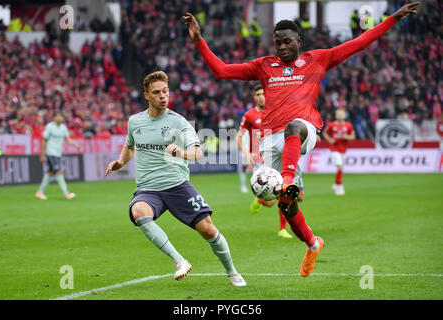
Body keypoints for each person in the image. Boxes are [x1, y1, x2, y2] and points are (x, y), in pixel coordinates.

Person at [183, 2, 420, 277]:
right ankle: (312, 243)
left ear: (299, 41)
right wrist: (199, 40)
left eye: (287, 42)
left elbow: (360, 42)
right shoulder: (264, 66)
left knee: (294, 128)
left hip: (302, 130)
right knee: (286, 204)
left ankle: (287, 180)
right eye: (277, 43)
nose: (281, 47)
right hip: (270, 139)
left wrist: (393, 18)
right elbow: (222, 71)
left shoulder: (317, 59)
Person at [105, 71, 246, 287]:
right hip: (148, 189)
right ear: (146, 96)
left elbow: (198, 153)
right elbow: (130, 145)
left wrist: (180, 153)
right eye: (156, 93)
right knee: (138, 212)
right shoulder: (135, 121)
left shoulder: (179, 122)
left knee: (208, 229)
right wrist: (120, 162)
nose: (162, 96)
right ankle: (179, 260)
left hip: (177, 185)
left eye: (165, 91)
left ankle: (232, 272)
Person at [237, 85, 294, 239]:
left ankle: (282, 229)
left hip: (276, 156)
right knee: (270, 201)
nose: (261, 96)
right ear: (254, 97)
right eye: (258, 94)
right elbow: (239, 136)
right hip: (258, 159)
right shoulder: (249, 115)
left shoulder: (277, 111)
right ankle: (260, 201)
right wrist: (246, 154)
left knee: (283, 190)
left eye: (263, 94)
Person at [35, 112, 80, 200]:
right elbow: (44, 141)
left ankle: (39, 192)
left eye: (61, 116)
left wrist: (75, 144)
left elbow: (68, 139)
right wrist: (42, 155)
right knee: (59, 171)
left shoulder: (63, 128)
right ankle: (66, 193)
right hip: (51, 153)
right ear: (54, 118)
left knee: (50, 173)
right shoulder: (49, 127)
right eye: (58, 116)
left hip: (58, 153)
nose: (60, 118)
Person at [322, 109, 355, 196]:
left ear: (345, 115)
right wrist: (330, 140)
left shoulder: (348, 126)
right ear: (336, 115)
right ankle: (340, 187)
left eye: (342, 114)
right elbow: (325, 133)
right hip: (334, 149)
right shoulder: (331, 125)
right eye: (338, 114)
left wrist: (347, 137)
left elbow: (353, 136)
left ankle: (336, 184)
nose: (340, 115)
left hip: (343, 149)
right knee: (340, 167)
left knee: (340, 169)